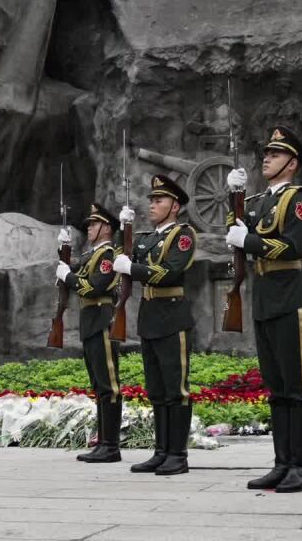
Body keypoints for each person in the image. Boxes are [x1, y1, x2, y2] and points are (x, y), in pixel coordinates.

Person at [225, 125, 302, 493]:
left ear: (292, 162)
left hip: (289, 296)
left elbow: (292, 247)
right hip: (264, 298)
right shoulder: (259, 201)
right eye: (266, 153)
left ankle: (301, 467)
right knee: (277, 388)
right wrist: (233, 196)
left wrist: (248, 239)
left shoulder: (299, 198)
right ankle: (282, 463)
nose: (266, 158)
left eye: (275, 154)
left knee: (297, 388)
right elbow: (233, 228)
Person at [112, 175, 197, 476]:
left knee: (176, 390)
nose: (152, 204)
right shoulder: (146, 238)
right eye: (151, 200)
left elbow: (169, 272)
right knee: (157, 390)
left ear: (174, 206)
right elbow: (123, 259)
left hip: (172, 317)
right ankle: (160, 451)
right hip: (149, 316)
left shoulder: (183, 235)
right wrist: (124, 231)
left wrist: (133, 268)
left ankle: (178, 454)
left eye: (158, 200)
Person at [56, 202, 123, 463]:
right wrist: (63, 253)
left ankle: (111, 446)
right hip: (90, 321)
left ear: (106, 228)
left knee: (109, 385)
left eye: (94, 224)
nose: (89, 228)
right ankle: (104, 442)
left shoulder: (107, 255)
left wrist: (68, 276)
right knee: (99, 385)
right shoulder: (91, 255)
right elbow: (76, 269)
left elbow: (93, 287)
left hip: (102, 320)